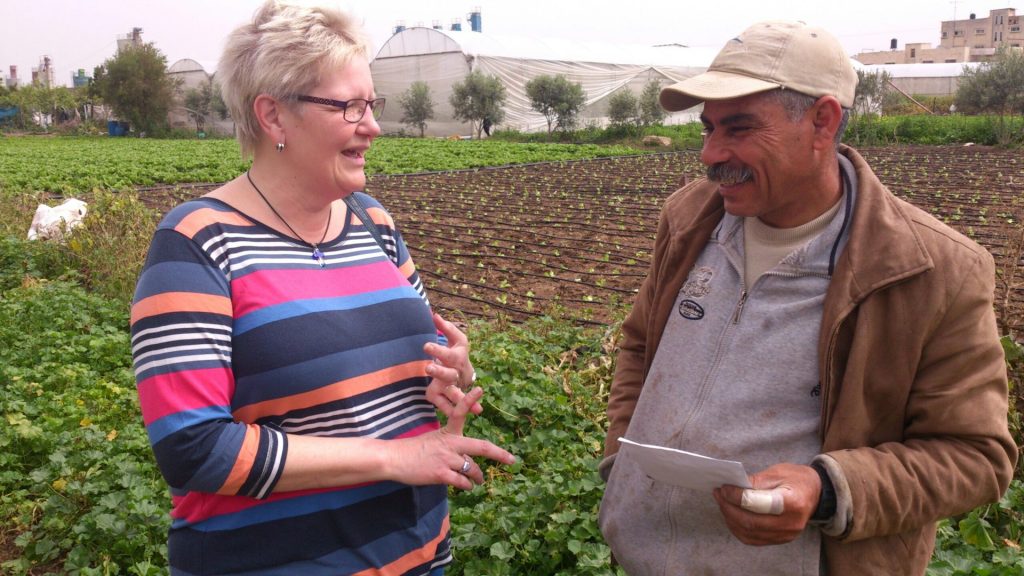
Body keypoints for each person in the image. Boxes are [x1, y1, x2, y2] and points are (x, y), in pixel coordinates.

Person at [598, 20, 1017, 575]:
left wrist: (826, 488)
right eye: (707, 128)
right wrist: (622, 453)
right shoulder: (688, 219)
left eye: (740, 128)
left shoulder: (932, 270)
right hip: (645, 558)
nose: (710, 153)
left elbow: (976, 457)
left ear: (823, 121)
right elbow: (639, 346)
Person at [130, 2, 514, 574]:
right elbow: (194, 449)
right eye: (349, 106)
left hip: (416, 551)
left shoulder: (372, 222)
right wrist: (391, 458)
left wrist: (452, 374)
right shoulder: (197, 242)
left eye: (371, 104)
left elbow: (415, 371)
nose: (373, 125)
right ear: (274, 117)